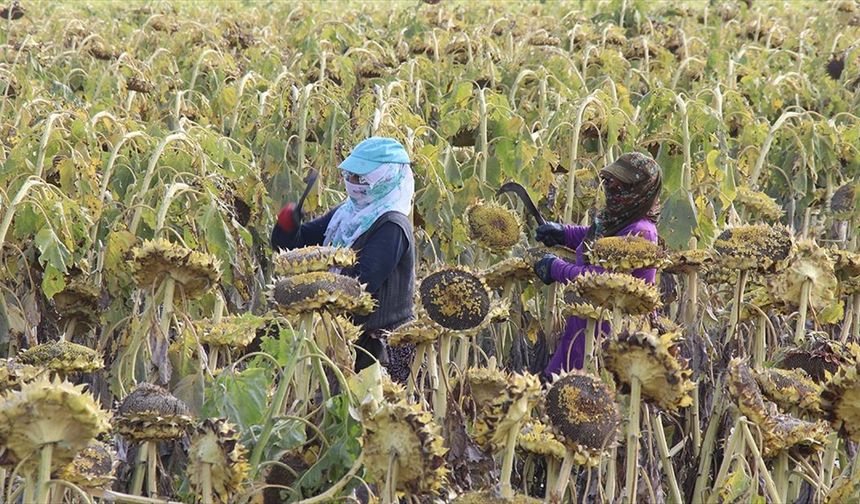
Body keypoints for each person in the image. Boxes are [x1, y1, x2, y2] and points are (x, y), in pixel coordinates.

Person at [271, 137, 416, 383]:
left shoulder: (392, 225)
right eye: (351, 176)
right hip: (342, 337)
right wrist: (288, 224)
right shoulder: (348, 212)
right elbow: (298, 245)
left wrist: (304, 294)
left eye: (362, 178)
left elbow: (358, 283)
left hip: (378, 350)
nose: (354, 184)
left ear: (387, 177)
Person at [532, 152, 662, 375]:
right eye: (610, 181)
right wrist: (565, 233)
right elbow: (599, 239)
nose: (611, 188)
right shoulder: (622, 217)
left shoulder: (641, 232)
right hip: (588, 323)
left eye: (620, 184)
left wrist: (555, 268)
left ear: (639, 191)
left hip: (611, 332)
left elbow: (599, 280)